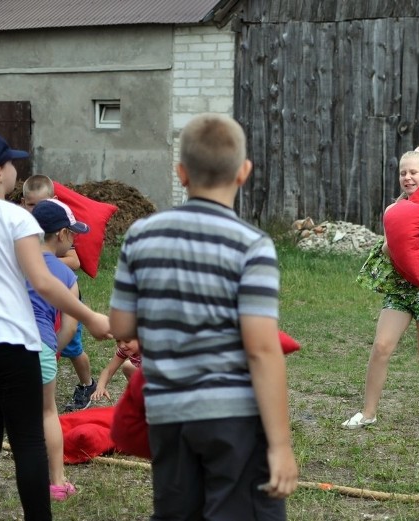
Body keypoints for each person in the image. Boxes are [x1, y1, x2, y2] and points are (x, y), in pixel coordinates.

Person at [109, 113, 297, 519]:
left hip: (168, 415)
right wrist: (280, 445)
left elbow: (121, 326)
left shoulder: (141, 235)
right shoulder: (252, 246)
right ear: (243, 172)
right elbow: (263, 350)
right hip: (234, 419)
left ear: (181, 173)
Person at [0, 130, 111, 521]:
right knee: (27, 440)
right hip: (13, 343)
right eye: (10, 163)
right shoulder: (15, 217)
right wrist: (90, 317)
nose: (14, 168)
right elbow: (42, 280)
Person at [343, 145, 419, 429]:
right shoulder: (393, 210)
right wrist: (394, 239)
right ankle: (368, 412)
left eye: (413, 172)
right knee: (381, 346)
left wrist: (407, 235)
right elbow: (386, 246)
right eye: (402, 173)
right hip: (400, 289)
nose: (407, 177)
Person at [27, 199, 94, 501]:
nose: (75, 239)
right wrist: (54, 350)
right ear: (62, 234)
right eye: (74, 234)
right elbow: (68, 326)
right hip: (40, 345)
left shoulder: (16, 259)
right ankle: (56, 483)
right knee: (47, 411)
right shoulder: (67, 276)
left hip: (2, 344)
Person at [21, 174, 98, 411]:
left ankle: (87, 384)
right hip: (44, 337)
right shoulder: (22, 235)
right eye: (31, 204)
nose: (34, 209)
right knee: (46, 412)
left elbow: (74, 261)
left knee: (74, 348)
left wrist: (38, 264)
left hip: (60, 305)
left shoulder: (21, 256)